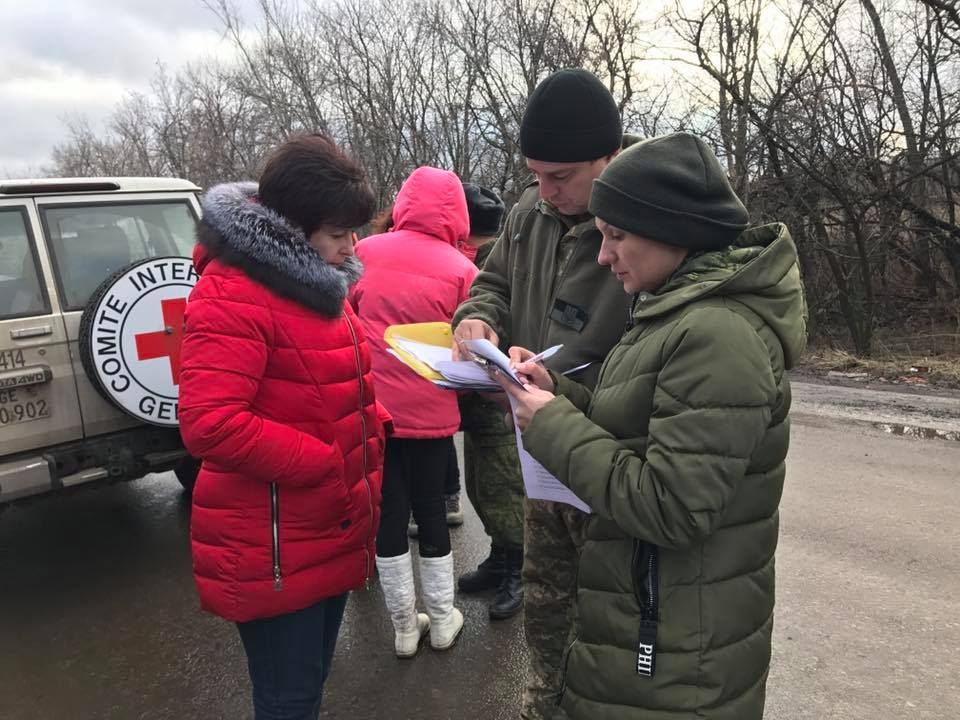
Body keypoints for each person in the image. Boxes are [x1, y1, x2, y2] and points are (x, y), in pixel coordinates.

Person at [500, 132, 808, 719]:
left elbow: (674, 505)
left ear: (672, 232)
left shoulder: (718, 335)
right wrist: (556, 393)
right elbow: (641, 426)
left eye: (617, 236)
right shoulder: (673, 309)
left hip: (674, 655)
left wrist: (555, 426)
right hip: (653, 629)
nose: (602, 255)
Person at [178, 134, 389, 719]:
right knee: (289, 699)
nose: (352, 247)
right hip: (272, 540)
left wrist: (374, 426)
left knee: (310, 684)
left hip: (325, 523)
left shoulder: (321, 283)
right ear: (291, 228)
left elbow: (324, 384)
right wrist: (323, 459)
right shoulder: (234, 293)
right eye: (339, 233)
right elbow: (210, 423)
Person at [451, 68, 635, 718]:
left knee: (617, 618)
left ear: (609, 158)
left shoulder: (645, 224)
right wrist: (476, 317)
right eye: (535, 175)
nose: (544, 191)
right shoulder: (531, 213)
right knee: (547, 595)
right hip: (539, 451)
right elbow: (491, 281)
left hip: (610, 455)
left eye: (560, 176)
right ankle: (542, 705)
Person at [350, 166, 479, 657]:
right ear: (458, 215)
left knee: (388, 516)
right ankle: (444, 620)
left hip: (373, 412)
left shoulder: (362, 253)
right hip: (433, 414)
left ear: (402, 203)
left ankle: (405, 628)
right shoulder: (464, 270)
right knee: (431, 511)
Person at [451, 183, 525, 619]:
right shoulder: (486, 262)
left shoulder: (502, 257)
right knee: (481, 483)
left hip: (504, 391)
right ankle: (501, 557)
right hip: (479, 393)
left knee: (506, 486)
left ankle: (517, 566)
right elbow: (485, 300)